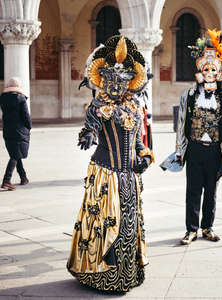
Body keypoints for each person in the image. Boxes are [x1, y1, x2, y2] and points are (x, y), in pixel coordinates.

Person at [66, 36, 154, 292]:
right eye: (111, 81)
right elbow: (89, 129)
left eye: (122, 81)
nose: (116, 86)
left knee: (127, 223)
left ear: (130, 83)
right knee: (106, 223)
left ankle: (125, 276)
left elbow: (139, 141)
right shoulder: (98, 106)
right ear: (103, 80)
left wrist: (146, 158)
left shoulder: (135, 108)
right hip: (105, 174)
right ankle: (101, 275)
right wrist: (88, 136)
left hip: (129, 176)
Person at [161, 29, 222, 245]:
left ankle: (207, 227)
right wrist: (181, 150)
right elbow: (181, 124)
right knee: (193, 191)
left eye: (213, 69)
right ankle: (191, 229)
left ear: (218, 71)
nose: (209, 72)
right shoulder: (189, 95)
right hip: (195, 148)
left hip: (215, 151)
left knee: (211, 191)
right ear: (200, 70)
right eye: (206, 68)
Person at [0, 77, 31, 191]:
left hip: (7, 129)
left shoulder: (3, 98)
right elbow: (25, 116)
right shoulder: (20, 98)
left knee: (15, 153)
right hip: (19, 130)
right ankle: (6, 181)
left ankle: (23, 177)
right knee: (15, 155)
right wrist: (29, 126)